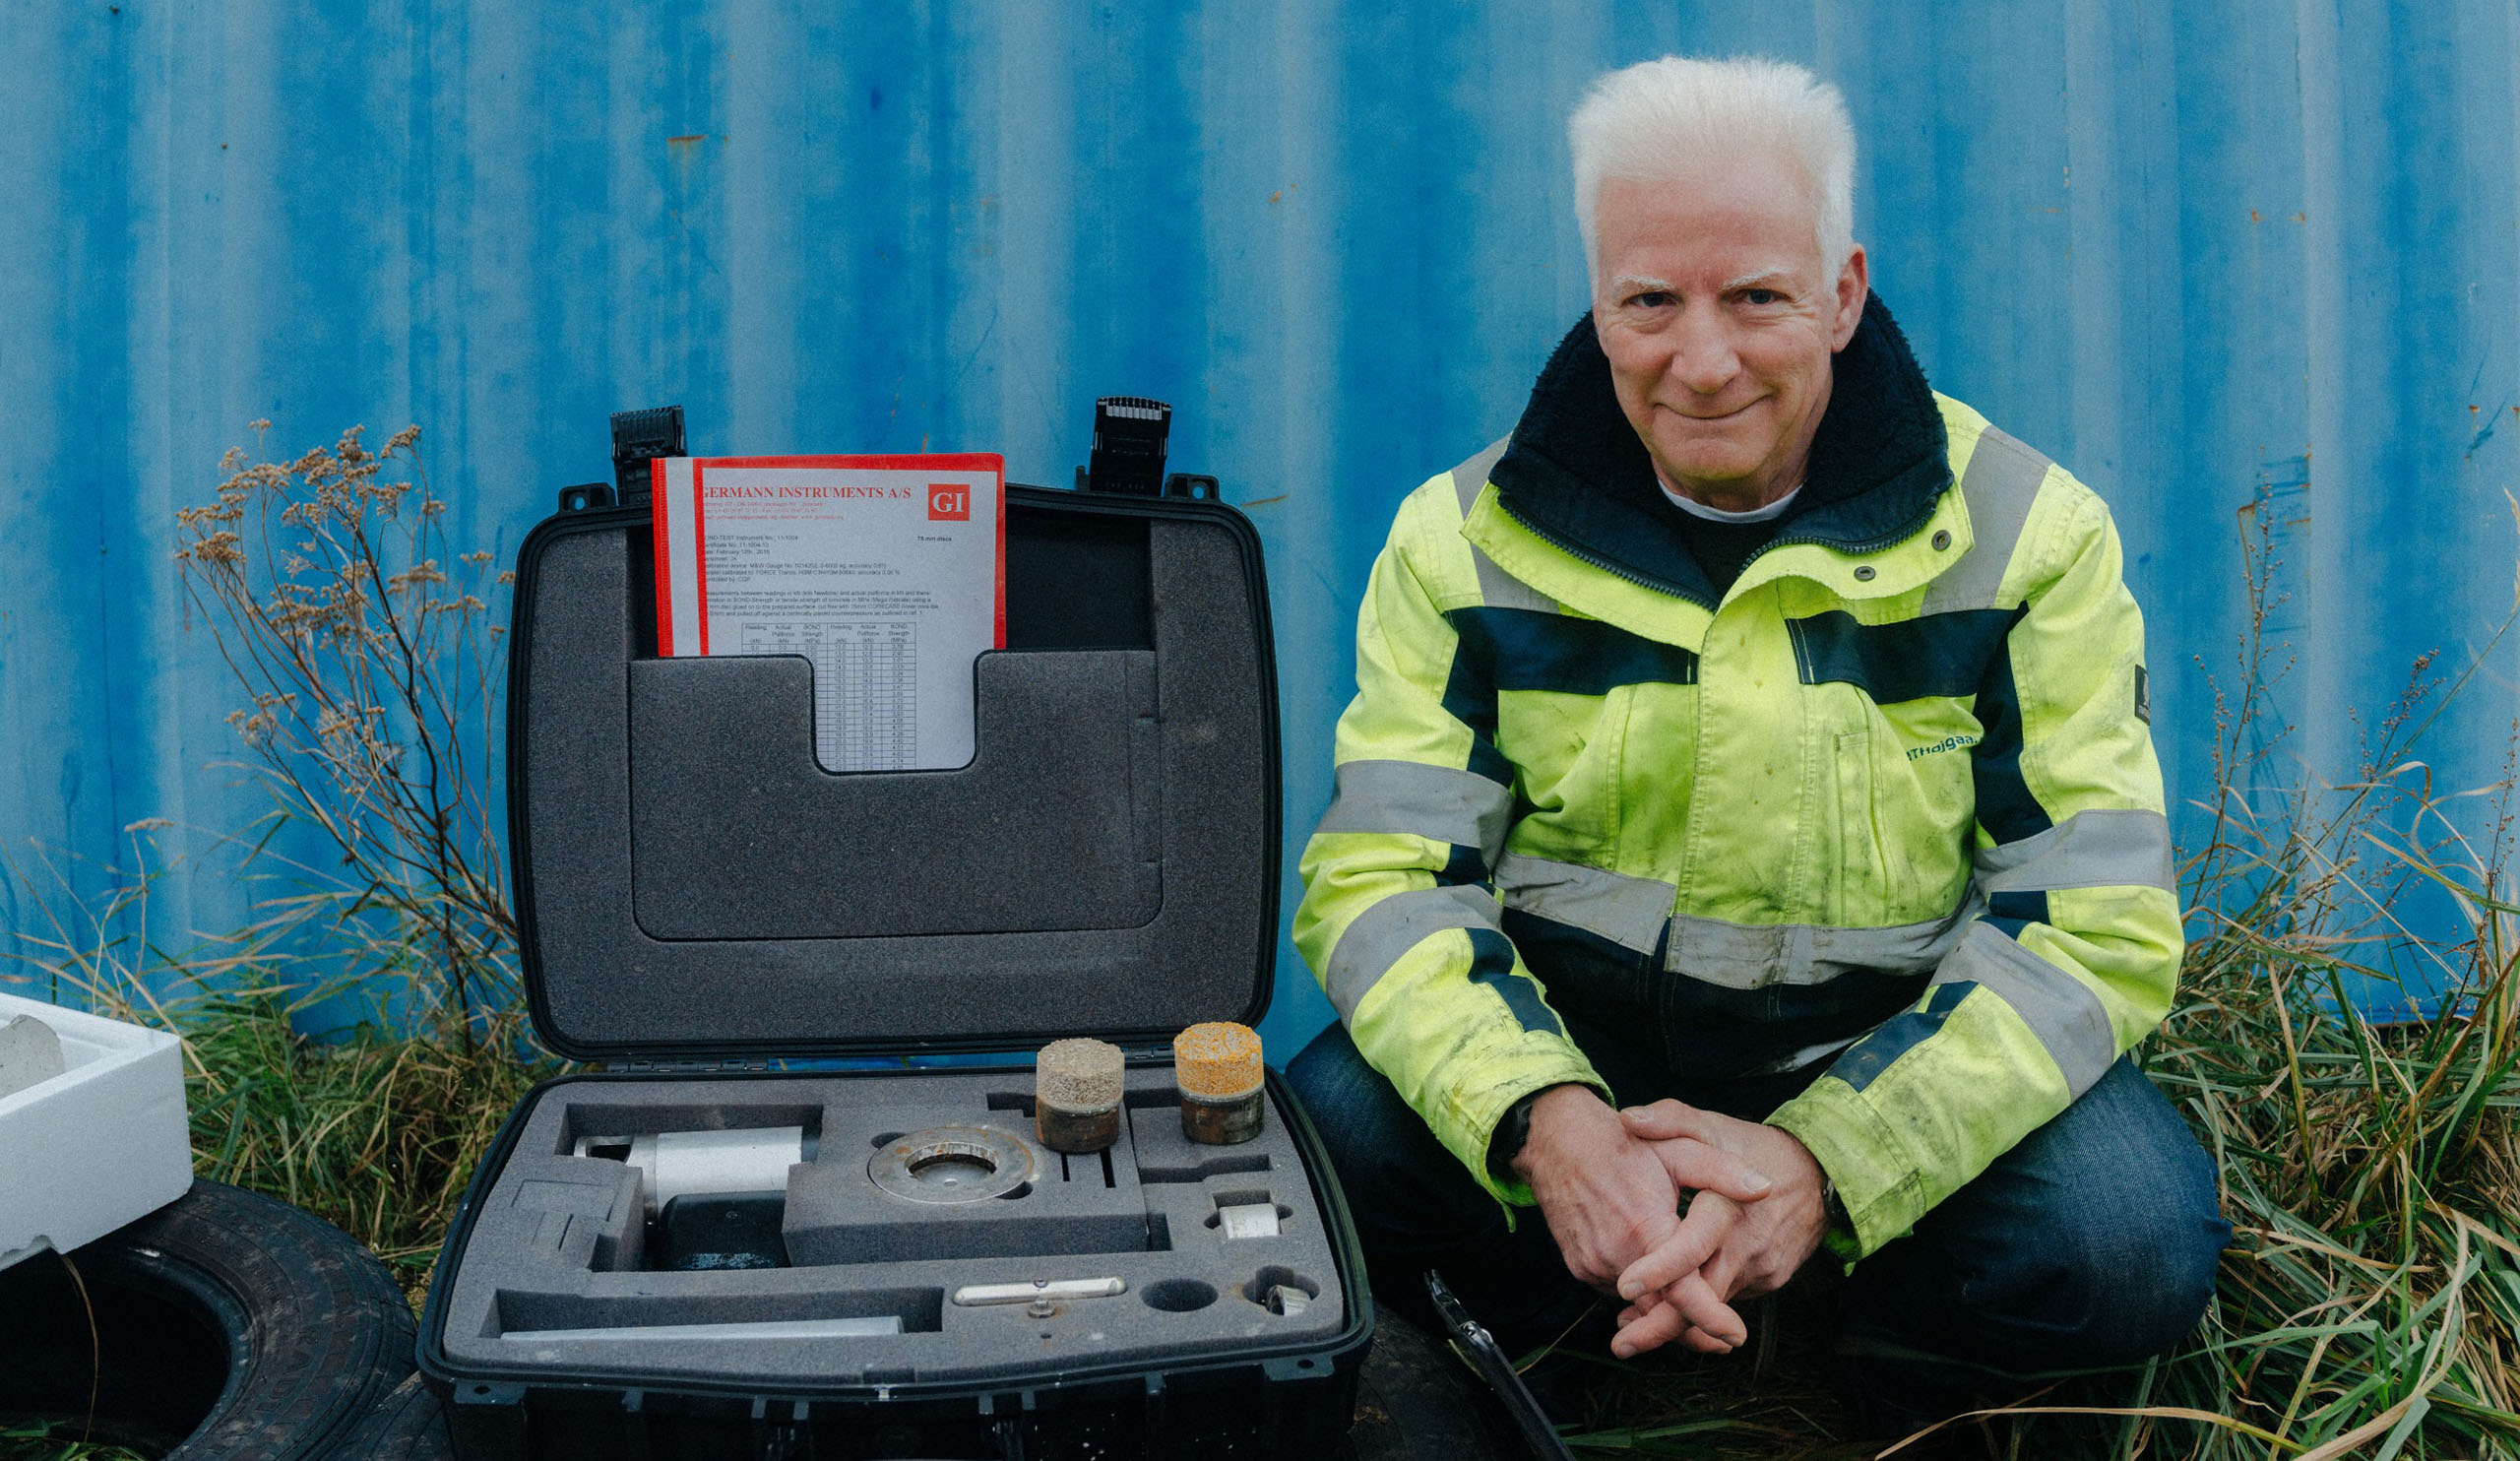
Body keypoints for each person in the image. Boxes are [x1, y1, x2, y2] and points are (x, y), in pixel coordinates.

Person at [1285, 54, 2229, 1439]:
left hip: (1892, 1052)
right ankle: (1584, 1320)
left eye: (1758, 298)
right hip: (1578, 1064)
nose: (1702, 359)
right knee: (1326, 1153)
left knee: (2129, 1235)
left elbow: (2091, 925)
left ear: (1842, 294)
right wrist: (1549, 1125)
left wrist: (1827, 1162)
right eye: (1651, 301)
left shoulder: (2032, 535)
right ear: (1600, 301)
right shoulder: (1459, 540)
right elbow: (1381, 885)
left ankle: (1875, 1370)